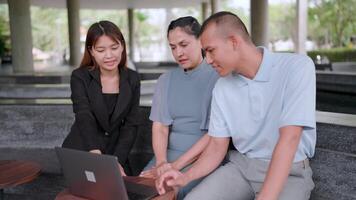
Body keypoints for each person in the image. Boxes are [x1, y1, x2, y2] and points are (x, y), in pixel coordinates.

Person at [157, 11, 316, 200]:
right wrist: (185, 177)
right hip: (241, 169)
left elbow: (290, 138)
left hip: (291, 172)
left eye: (210, 50)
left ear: (233, 42)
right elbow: (216, 146)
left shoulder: (297, 67)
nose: (207, 60)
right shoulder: (222, 87)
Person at [139, 16, 219, 199]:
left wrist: (175, 166)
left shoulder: (218, 77)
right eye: (173, 47)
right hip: (166, 157)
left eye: (184, 44)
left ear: (201, 41)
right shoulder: (165, 80)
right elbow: (160, 127)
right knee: (139, 190)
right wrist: (161, 163)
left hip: (203, 157)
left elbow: (215, 135)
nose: (178, 53)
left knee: (164, 193)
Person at [62, 21, 140, 176]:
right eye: (101, 50)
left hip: (116, 152)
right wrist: (95, 155)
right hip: (84, 148)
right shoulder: (80, 77)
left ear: (122, 46)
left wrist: (116, 161)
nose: (109, 55)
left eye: (114, 47)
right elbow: (83, 114)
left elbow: (131, 124)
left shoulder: (132, 78)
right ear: (91, 51)